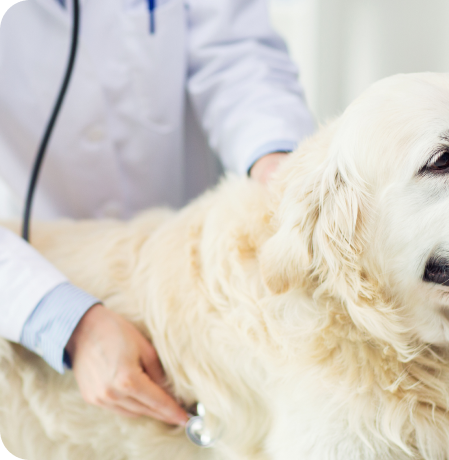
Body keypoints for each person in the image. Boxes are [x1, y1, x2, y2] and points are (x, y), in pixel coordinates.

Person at [0, 0, 315, 426]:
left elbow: (238, 53)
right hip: (37, 280)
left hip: (198, 264)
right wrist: (67, 322)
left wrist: (278, 164)